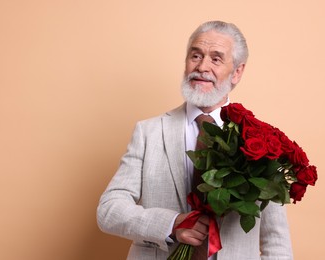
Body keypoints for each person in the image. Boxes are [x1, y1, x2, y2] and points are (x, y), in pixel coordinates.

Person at [97, 21, 293, 260]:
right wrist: (170, 225)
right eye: (196, 55)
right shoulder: (148, 132)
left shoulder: (261, 143)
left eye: (216, 59)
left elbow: (277, 242)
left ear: (237, 72)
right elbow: (109, 210)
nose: (202, 67)